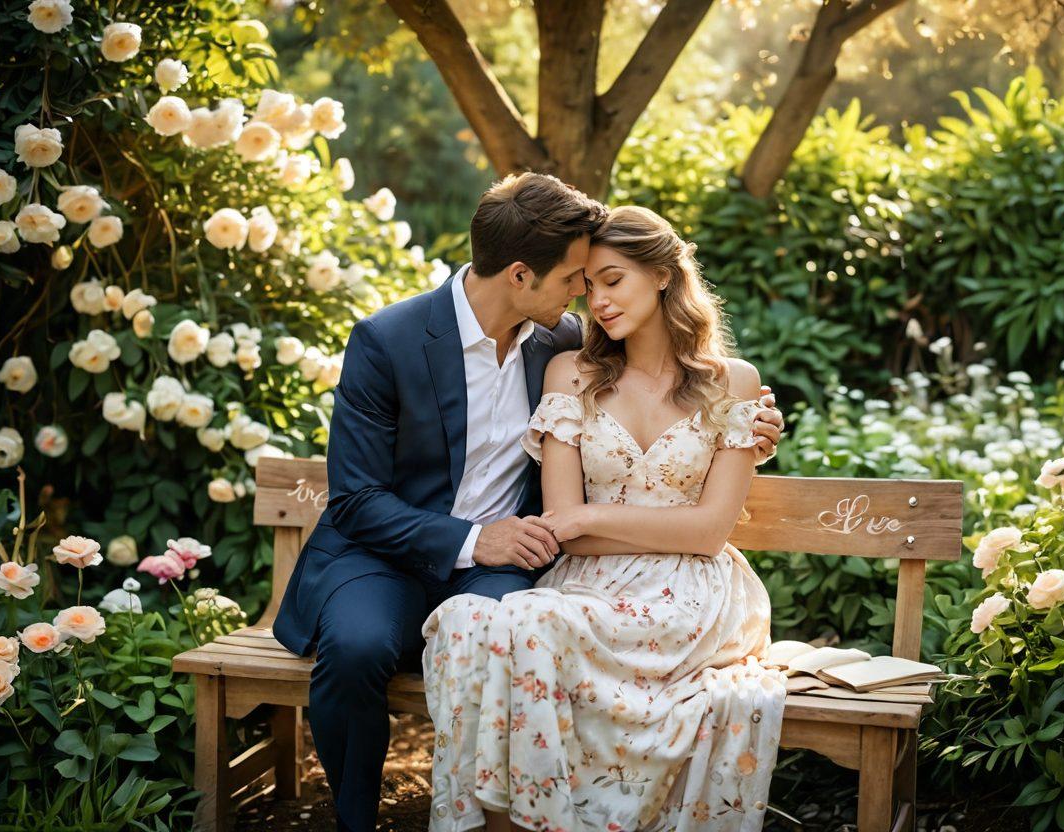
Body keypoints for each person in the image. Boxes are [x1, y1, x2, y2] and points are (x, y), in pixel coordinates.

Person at [271, 173, 785, 832]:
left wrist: (757, 423)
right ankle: (353, 820)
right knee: (358, 646)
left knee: (499, 641)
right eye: (576, 277)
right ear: (520, 275)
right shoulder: (388, 341)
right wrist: (475, 539)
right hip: (384, 556)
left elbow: (677, 392)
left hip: (502, 570)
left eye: (600, 280)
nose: (587, 296)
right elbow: (357, 500)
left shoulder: (561, 345)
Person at [422, 205, 789, 832]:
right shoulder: (572, 373)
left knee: (530, 622)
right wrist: (586, 522)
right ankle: (493, 823)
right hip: (589, 586)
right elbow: (562, 521)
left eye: (614, 280)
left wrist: (591, 514)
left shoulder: (735, 382)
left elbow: (708, 533)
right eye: (587, 287)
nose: (598, 303)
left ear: (665, 275)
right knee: (466, 620)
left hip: (692, 596)